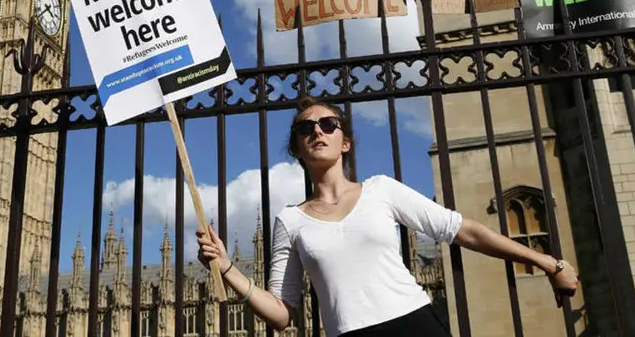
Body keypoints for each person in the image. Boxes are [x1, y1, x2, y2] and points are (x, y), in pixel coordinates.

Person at [197, 96, 579, 336]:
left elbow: (462, 231)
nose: (317, 130)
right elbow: (281, 315)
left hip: (414, 322)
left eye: (328, 124)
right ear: (297, 149)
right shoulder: (290, 221)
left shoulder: (382, 190)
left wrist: (549, 262)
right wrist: (228, 268)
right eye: (305, 128)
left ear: (344, 142)